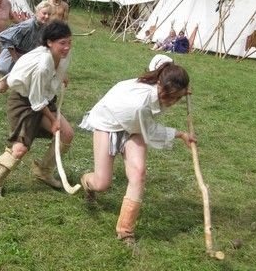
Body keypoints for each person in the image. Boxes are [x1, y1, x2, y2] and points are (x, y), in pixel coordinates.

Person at [78, 60, 196, 245]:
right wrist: (180, 134)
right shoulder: (139, 106)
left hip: (134, 125)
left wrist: (182, 88)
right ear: (160, 85)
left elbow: (163, 60)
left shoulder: (162, 75)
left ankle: (125, 230)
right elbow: (149, 131)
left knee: (138, 174)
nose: (173, 102)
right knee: (101, 184)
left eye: (177, 98)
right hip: (108, 123)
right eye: (171, 97)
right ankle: (87, 181)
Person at [0, 20, 74, 197]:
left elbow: (49, 84)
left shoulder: (61, 56)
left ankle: (43, 171)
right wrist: (53, 119)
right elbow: (36, 100)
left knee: (67, 134)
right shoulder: (42, 64)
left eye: (69, 42)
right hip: (24, 102)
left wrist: (61, 75)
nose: (67, 47)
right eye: (62, 43)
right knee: (20, 148)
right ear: (49, 42)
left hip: (42, 99)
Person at [0, 0, 51, 106]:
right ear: (37, 12)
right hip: (13, 55)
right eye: (44, 13)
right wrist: (16, 60)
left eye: (49, 14)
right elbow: (5, 37)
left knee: (27, 82)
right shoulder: (27, 26)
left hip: (25, 57)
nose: (47, 16)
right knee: (2, 88)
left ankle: (30, 105)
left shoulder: (43, 27)